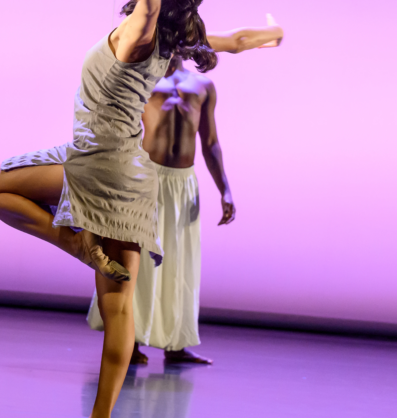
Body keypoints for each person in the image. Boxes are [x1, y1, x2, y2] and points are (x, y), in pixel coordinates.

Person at [0, 0, 216, 418]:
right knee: (119, 307)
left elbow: (148, 7)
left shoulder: (143, 29)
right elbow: (219, 38)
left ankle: (78, 245)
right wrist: (266, 36)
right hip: (134, 179)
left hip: (96, 162)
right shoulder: (174, 38)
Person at [86, 20, 282, 365]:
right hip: (146, 178)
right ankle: (130, 341)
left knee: (180, 262)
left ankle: (176, 344)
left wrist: (225, 189)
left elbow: (211, 142)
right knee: (138, 260)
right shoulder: (142, 79)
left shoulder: (202, 85)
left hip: (184, 183)